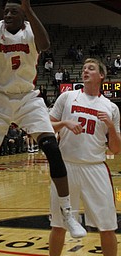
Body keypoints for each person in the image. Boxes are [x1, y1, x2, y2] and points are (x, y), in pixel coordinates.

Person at [0, 0, 86, 249]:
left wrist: (30, 10)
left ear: (23, 15)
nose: (8, 14)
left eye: (14, 11)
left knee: (52, 150)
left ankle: (68, 213)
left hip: (27, 98)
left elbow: (45, 45)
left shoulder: (32, 30)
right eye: (6, 11)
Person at [48, 58, 120, 256]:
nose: (85, 71)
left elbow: (115, 149)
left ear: (101, 75)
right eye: (84, 68)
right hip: (65, 167)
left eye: (91, 68)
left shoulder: (110, 107)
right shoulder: (67, 97)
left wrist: (112, 127)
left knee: (107, 226)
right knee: (58, 224)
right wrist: (64, 124)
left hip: (95, 167)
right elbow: (45, 126)